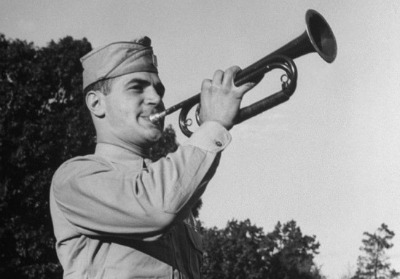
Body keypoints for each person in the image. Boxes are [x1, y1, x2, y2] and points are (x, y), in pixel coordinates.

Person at [50, 36, 256, 278]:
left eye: (158, 90)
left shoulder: (165, 183)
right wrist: (213, 126)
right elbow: (156, 207)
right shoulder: (74, 177)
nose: (156, 99)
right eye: (136, 87)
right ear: (96, 103)